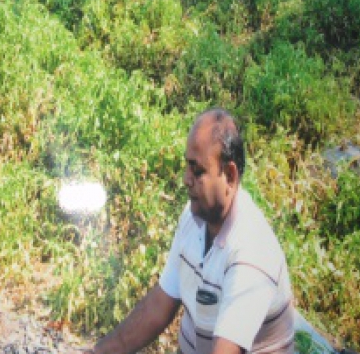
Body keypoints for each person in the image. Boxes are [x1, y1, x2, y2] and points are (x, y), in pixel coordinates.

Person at [88, 108, 294, 354]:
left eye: (198, 171)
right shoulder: (194, 218)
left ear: (229, 176)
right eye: (187, 166)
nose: (186, 179)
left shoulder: (251, 251)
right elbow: (158, 306)